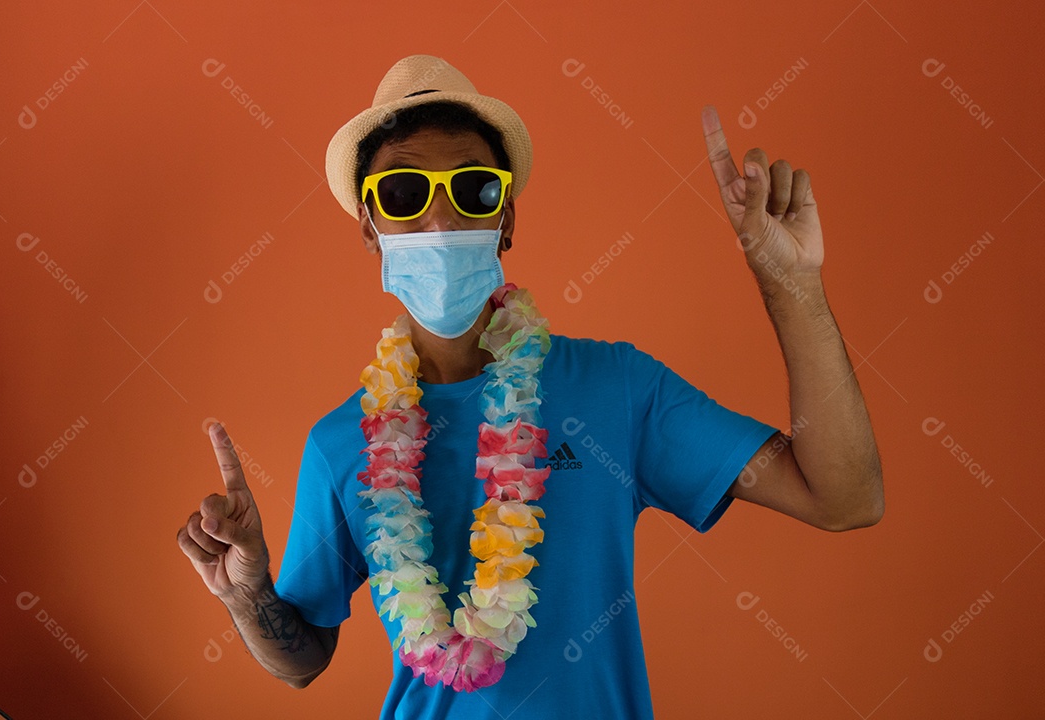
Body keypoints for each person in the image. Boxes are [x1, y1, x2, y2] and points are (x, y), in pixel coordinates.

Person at [176, 55, 884, 718]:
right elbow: (301, 659)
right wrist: (248, 595)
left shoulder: (618, 389)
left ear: (506, 215)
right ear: (369, 225)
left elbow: (844, 497)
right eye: (402, 191)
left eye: (474, 188)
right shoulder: (340, 446)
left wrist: (790, 285)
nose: (442, 217)